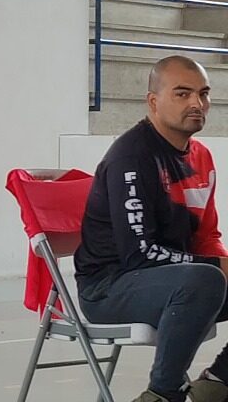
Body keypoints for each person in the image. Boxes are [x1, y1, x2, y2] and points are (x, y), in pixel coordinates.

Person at [75, 56, 228, 402]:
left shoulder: (201, 156)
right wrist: (217, 269)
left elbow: (207, 236)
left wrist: (220, 264)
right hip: (110, 287)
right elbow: (139, 255)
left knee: (207, 276)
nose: (197, 103)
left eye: (203, 94)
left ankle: (218, 383)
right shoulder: (131, 157)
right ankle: (162, 394)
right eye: (182, 93)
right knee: (205, 278)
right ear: (153, 102)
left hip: (172, 279)